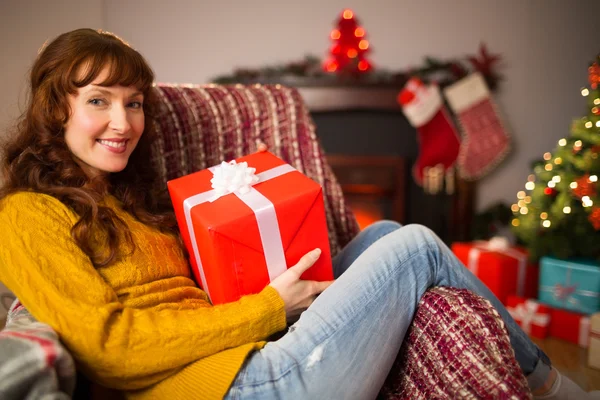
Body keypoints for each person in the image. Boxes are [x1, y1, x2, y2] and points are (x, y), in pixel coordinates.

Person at [0, 28, 595, 400]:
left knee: (385, 231)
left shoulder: (122, 200)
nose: (124, 123)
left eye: (134, 104)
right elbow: (110, 347)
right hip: (239, 388)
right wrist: (268, 308)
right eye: (98, 101)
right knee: (413, 245)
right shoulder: (26, 215)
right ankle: (556, 389)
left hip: (246, 357)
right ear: (56, 109)